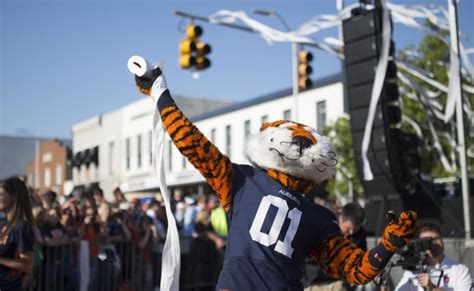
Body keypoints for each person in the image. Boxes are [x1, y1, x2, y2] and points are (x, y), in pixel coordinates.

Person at [132, 59, 417, 290]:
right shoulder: (250, 184)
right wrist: (388, 245)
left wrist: (161, 93)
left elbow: (193, 145)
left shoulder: (244, 181)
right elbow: (357, 270)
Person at [306, 202, 367, 290]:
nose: (351, 232)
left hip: (339, 281)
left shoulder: (360, 235)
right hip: (314, 278)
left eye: (355, 229)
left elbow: (361, 259)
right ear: (341, 219)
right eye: (348, 228)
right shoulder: (323, 224)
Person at [395, 223, 472, 291]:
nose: (434, 243)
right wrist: (384, 286)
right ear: (420, 245)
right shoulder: (413, 272)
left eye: (436, 238)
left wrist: (432, 287)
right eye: (427, 241)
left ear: (442, 240)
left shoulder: (460, 270)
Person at [0, 177, 35, 290]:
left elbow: (27, 265)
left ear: (14, 196)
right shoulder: (4, 224)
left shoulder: (21, 227)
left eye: (1, 194)